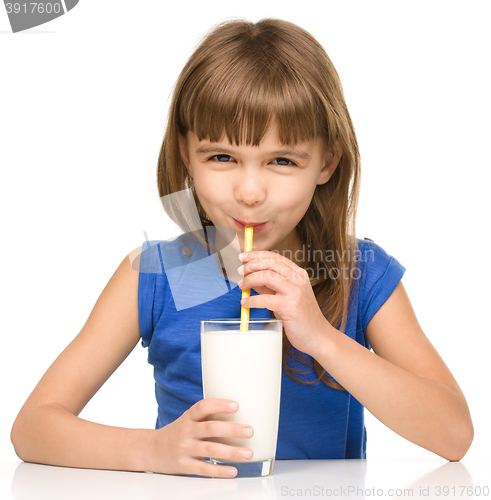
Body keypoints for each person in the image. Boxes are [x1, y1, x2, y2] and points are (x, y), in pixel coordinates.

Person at [11, 18, 473, 479]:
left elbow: (452, 435)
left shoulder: (359, 273)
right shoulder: (163, 272)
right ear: (185, 155)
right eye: (222, 157)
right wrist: (150, 450)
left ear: (327, 162)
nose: (250, 192)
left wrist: (321, 337)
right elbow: (33, 428)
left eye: (282, 161)